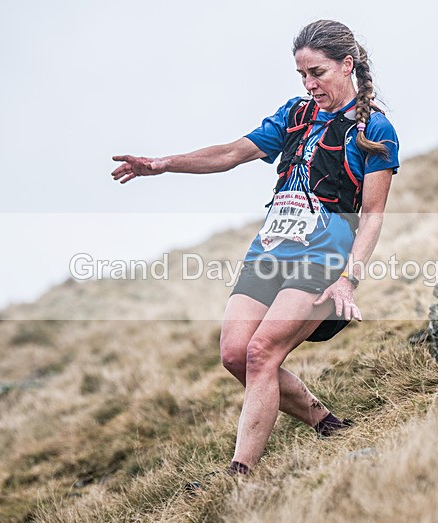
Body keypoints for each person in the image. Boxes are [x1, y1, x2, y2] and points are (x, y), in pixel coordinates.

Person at [111, 19, 399, 476]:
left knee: (262, 352)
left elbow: (373, 215)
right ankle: (325, 422)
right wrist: (164, 164)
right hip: (269, 250)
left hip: (323, 254)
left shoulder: (374, 131)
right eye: (302, 75)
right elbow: (230, 154)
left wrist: (350, 278)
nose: (309, 84)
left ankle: (238, 474)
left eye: (318, 73)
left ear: (347, 65)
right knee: (234, 354)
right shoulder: (294, 114)